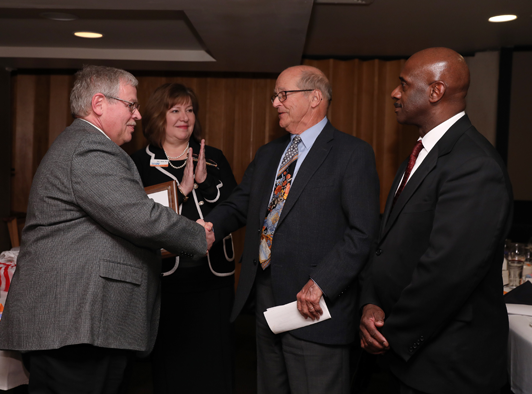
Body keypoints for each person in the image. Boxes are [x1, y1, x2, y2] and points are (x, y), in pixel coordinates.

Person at [0, 65, 214, 394]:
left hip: (82, 325)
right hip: (75, 324)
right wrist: (197, 236)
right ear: (99, 104)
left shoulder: (87, 146)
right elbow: (138, 217)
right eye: (131, 105)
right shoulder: (88, 149)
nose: (137, 115)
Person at [206, 65, 380, 393]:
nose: (275, 103)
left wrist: (321, 283)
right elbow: (240, 204)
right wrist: (209, 228)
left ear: (315, 98)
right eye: (275, 95)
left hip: (314, 304)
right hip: (265, 298)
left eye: (282, 95)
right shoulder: (271, 153)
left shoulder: (352, 154)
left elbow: (362, 232)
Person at [359, 47, 513, 394]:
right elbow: (387, 245)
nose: (395, 93)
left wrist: (389, 332)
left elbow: (447, 273)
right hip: (411, 357)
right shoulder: (419, 154)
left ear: (435, 91)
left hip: (447, 367)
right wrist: (371, 302)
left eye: (403, 83)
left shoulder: (475, 166)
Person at [130, 83, 237, 393]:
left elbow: (235, 207)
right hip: (167, 278)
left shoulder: (213, 157)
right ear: (157, 117)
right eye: (175, 109)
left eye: (189, 110)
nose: (184, 117)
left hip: (213, 277)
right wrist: (181, 191)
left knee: (215, 361)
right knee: (173, 361)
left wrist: (205, 184)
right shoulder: (139, 163)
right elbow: (137, 218)